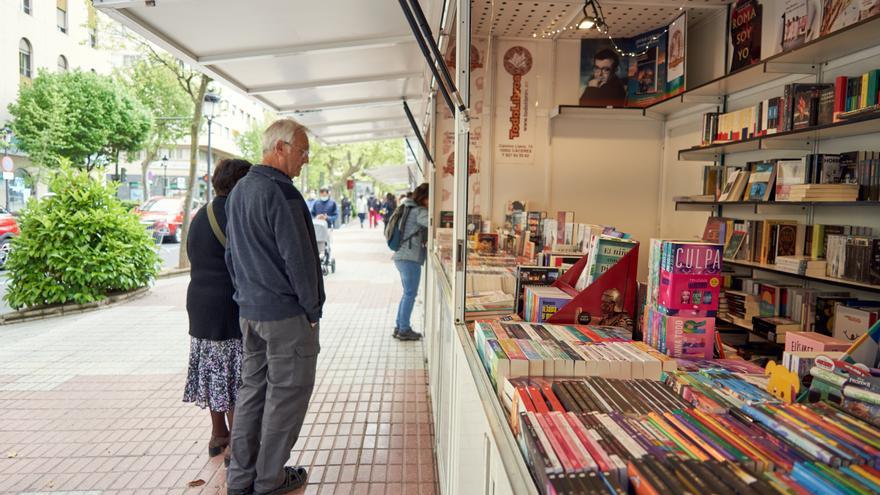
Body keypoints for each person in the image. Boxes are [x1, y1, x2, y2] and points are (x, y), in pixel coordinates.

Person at [225, 119, 325, 495]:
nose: (305, 160)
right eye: (302, 151)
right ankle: (270, 480)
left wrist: (246, 296)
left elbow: (231, 256)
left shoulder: (239, 191)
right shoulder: (282, 194)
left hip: (250, 313)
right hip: (286, 316)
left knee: (252, 394)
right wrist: (312, 310)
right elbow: (298, 259)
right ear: (280, 148)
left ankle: (240, 479)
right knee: (286, 397)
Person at [183, 158, 252, 466]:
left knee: (214, 372)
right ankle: (239, 445)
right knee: (237, 375)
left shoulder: (202, 214)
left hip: (199, 306)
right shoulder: (237, 214)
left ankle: (218, 435)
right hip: (229, 305)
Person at [392, 183, 430, 341]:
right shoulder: (419, 211)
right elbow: (432, 222)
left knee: (407, 293)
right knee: (410, 294)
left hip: (402, 257)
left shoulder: (408, 207)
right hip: (409, 258)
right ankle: (404, 329)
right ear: (425, 198)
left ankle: (399, 326)